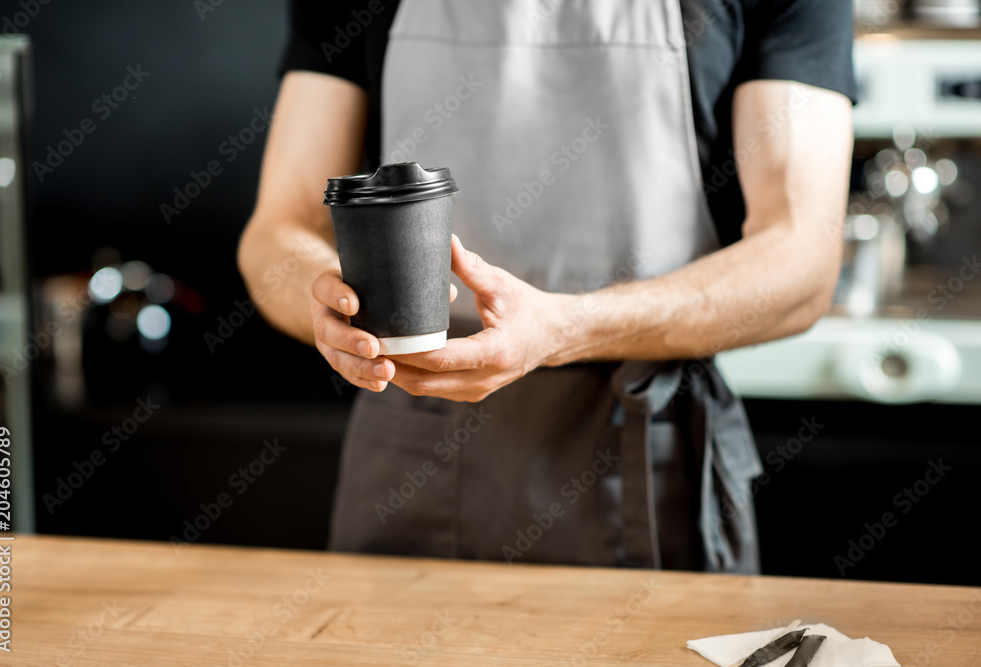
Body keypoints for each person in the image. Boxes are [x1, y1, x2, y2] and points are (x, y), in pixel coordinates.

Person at [238, 0, 856, 573]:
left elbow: (801, 259)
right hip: (405, 434)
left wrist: (561, 329)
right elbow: (279, 230)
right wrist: (326, 303)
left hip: (643, 450)